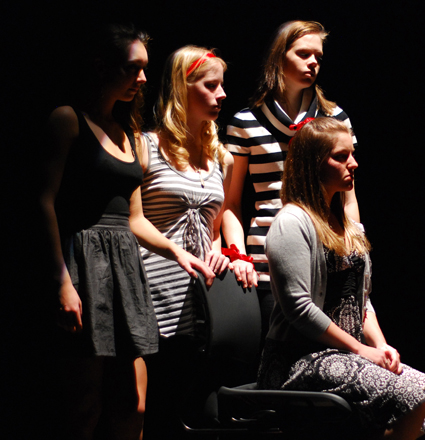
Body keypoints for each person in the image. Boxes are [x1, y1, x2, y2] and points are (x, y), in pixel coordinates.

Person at [42, 25, 215, 440]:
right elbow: (42, 202)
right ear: (103, 68)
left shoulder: (128, 135)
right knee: (84, 406)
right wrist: (62, 282)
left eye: (144, 70)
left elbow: (134, 219)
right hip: (83, 262)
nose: (141, 79)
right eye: (132, 68)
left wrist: (177, 252)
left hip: (125, 270)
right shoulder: (68, 120)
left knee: (133, 403)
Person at [257, 118, 425, 439]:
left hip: (347, 354)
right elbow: (299, 309)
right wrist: (362, 350)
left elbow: (359, 299)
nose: (353, 163)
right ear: (312, 164)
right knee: (411, 399)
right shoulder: (292, 222)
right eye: (340, 156)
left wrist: (380, 344)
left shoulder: (346, 224)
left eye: (351, 153)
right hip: (299, 360)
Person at [138, 45, 257, 439]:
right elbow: (129, 219)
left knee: (185, 403)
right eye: (211, 85)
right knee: (145, 404)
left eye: (223, 85)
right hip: (151, 290)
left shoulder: (218, 157)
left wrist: (233, 253)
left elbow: (222, 221)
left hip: (197, 299)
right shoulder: (146, 146)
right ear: (182, 87)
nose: (222, 94)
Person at [225, 20, 360, 336]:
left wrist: (352, 251)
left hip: (326, 255)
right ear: (278, 58)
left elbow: (349, 198)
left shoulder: (335, 119)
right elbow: (230, 203)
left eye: (318, 57)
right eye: (303, 54)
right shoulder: (246, 122)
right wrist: (237, 255)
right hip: (265, 260)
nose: (313, 62)